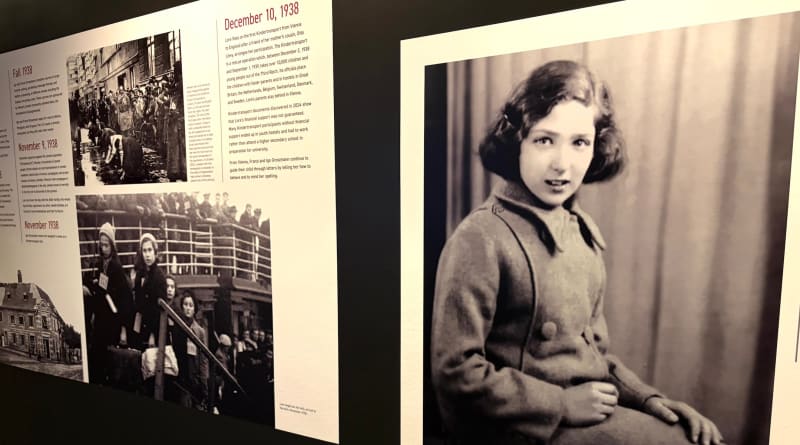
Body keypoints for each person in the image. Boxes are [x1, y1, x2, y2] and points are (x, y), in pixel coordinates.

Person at [430, 61, 722, 445]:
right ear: (516, 140)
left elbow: (590, 357)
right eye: (544, 140)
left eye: (579, 142)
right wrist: (560, 403)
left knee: (687, 436)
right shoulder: (480, 238)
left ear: (596, 146)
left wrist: (651, 401)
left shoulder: (580, 235)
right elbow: (455, 371)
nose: (562, 164)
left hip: (575, 412)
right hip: (515, 425)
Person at [83, 223, 133, 383]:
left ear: (112, 245)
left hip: (112, 321)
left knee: (108, 361)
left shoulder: (116, 267)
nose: (103, 248)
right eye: (101, 245)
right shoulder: (99, 264)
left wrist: (124, 329)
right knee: (97, 357)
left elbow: (125, 300)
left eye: (106, 245)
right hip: (101, 319)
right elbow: (100, 288)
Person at [171, 290, 209, 409]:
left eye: (191, 305)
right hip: (180, 373)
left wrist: (203, 380)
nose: (188, 308)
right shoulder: (177, 327)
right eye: (185, 305)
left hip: (194, 376)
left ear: (194, 309)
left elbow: (203, 358)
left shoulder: (200, 331)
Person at [132, 233, 166, 350]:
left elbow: (160, 309)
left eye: (150, 250)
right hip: (141, 326)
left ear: (155, 252)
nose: (147, 254)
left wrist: (152, 334)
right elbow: (138, 305)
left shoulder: (159, 276)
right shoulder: (140, 274)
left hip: (154, 329)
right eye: (144, 251)